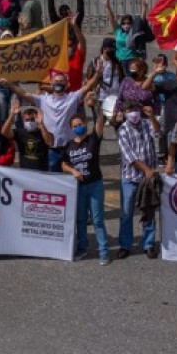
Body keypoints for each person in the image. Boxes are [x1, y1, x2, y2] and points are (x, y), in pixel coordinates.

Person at [1, 68, 103, 171]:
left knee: (72, 178)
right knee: (52, 180)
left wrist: (98, 73)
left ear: (67, 84)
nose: (58, 82)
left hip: (70, 148)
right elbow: (24, 94)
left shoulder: (73, 98)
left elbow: (87, 86)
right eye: (56, 81)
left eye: (61, 81)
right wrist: (9, 84)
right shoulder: (43, 100)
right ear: (51, 84)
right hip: (51, 149)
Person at [61, 93, 109, 264]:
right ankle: (82, 248)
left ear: (85, 125)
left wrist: (95, 105)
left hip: (95, 184)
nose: (78, 127)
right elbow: (63, 164)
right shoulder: (69, 146)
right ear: (71, 128)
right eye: (75, 126)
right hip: (79, 187)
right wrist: (72, 171)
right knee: (80, 219)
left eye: (81, 124)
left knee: (97, 220)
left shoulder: (92, 139)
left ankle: (103, 251)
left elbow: (100, 120)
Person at [116, 100, 161, 259]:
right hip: (130, 177)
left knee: (148, 210)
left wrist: (153, 117)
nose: (133, 113)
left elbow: (157, 132)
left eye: (135, 109)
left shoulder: (147, 123)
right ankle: (125, 245)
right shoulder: (123, 130)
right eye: (129, 110)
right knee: (126, 213)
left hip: (148, 178)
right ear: (125, 113)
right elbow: (131, 157)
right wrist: (147, 170)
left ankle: (149, 244)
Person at [1, 100, 53, 171]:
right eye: (27, 120)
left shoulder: (43, 132)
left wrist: (41, 124)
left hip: (41, 173)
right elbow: (4, 132)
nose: (30, 122)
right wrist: (12, 115)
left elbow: (50, 142)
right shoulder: (20, 132)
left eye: (32, 120)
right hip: (25, 173)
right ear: (23, 119)